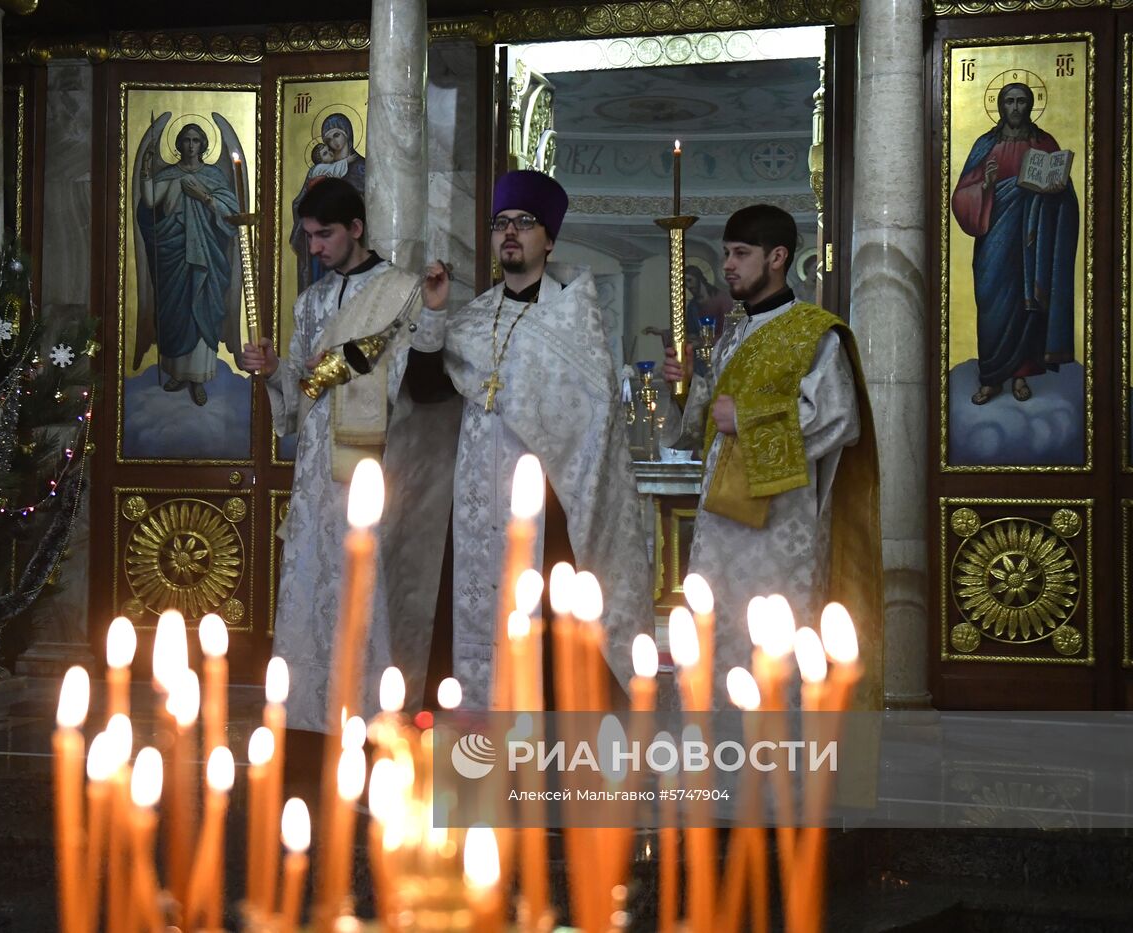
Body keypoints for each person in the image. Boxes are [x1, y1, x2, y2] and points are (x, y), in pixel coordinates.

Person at [415, 169, 655, 708]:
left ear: (549, 238)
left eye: (524, 222)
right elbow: (427, 390)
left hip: (550, 507)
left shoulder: (574, 320)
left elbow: (592, 422)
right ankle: (473, 765)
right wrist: (433, 313)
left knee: (550, 643)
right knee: (468, 628)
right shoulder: (473, 318)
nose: (510, 232)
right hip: (476, 505)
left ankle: (546, 772)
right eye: (501, 222)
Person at [240, 178, 447, 734]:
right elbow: (303, 396)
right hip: (315, 474)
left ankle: (373, 718)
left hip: (376, 466)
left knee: (367, 583)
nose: (315, 248)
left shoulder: (403, 292)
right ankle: (308, 719)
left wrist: (426, 319)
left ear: (356, 229)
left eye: (324, 235)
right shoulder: (309, 302)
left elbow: (419, 383)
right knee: (313, 584)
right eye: (308, 237)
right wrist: (273, 371)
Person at [660, 204, 882, 708]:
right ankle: (717, 764)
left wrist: (748, 418)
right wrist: (689, 388)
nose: (728, 266)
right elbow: (707, 426)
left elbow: (839, 419)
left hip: (781, 531)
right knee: (717, 644)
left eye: (741, 254)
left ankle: (779, 771)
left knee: (773, 654)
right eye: (725, 255)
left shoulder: (814, 333)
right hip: (722, 524)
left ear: (778, 256)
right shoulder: (734, 334)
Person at [952, 81, 1078, 405]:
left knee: (1027, 306)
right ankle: (992, 378)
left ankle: (1021, 374)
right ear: (1000, 106)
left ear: (1031, 105)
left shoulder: (1044, 142)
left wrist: (1055, 191)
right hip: (995, 239)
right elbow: (961, 197)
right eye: (1010, 102)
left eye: (1022, 101)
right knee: (993, 303)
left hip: (1032, 238)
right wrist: (987, 185)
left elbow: (1065, 192)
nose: (1016, 108)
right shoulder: (985, 145)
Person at [134, 122, 241, 407]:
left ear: (203, 145)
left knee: (202, 308)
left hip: (206, 256)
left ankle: (199, 378)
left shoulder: (213, 176)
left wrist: (204, 198)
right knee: (175, 312)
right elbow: (149, 202)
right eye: (186, 140)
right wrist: (145, 169)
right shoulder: (169, 175)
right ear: (178, 144)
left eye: (196, 140)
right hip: (174, 257)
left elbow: (231, 214)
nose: (191, 145)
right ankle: (178, 374)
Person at [290, 113, 368, 293]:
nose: (334, 142)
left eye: (337, 135)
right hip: (322, 259)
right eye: (328, 139)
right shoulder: (318, 171)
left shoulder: (362, 166)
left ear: (347, 134)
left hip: (352, 246)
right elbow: (300, 205)